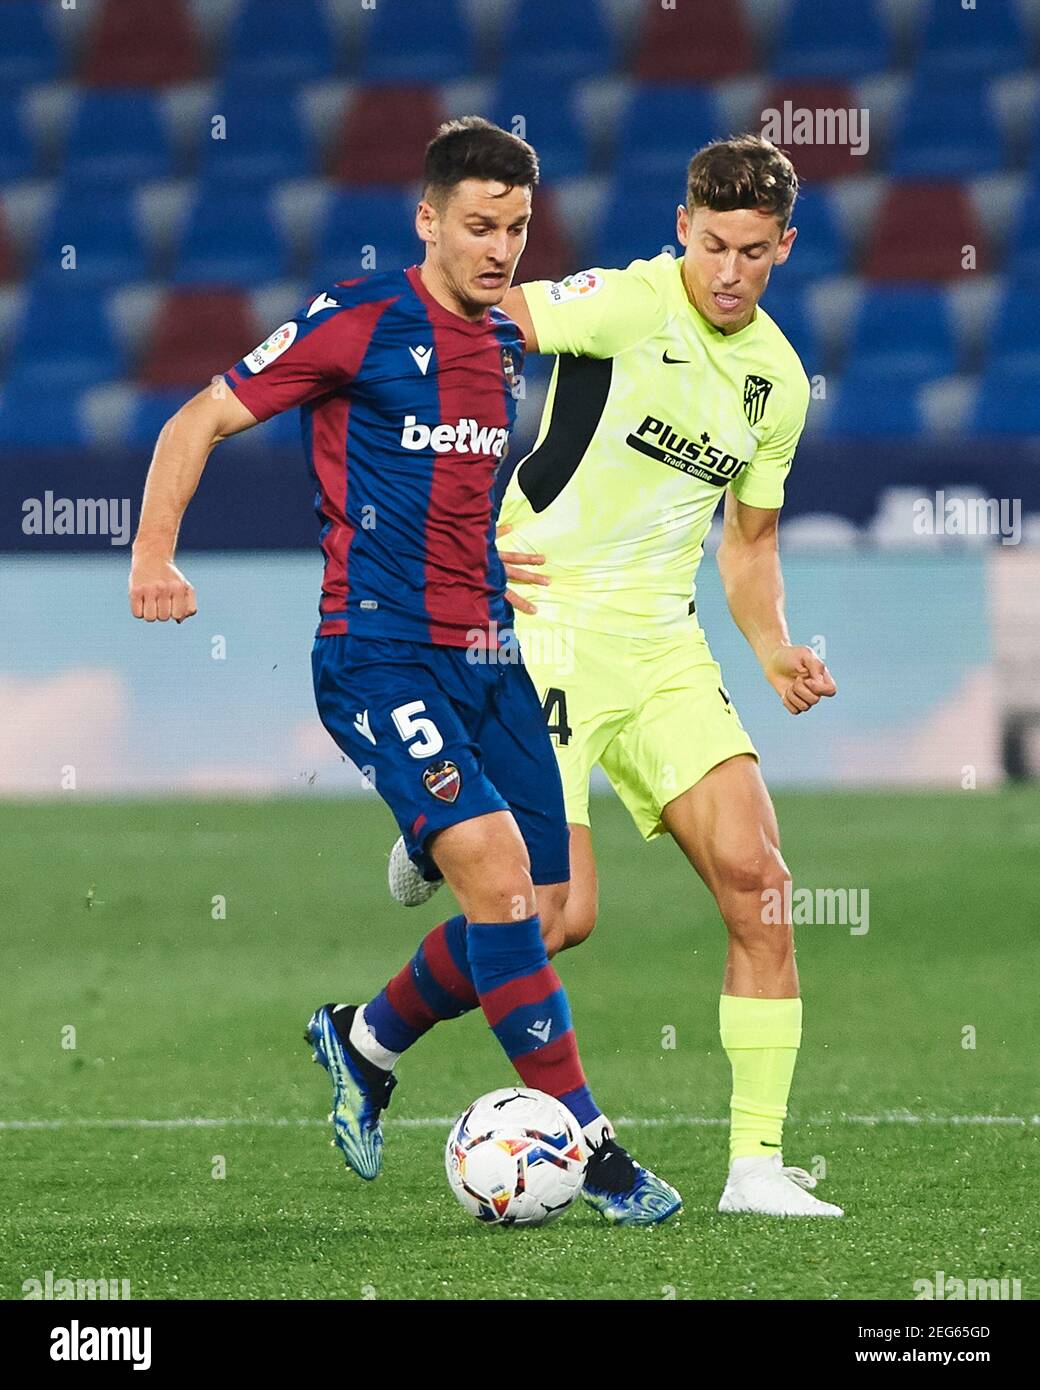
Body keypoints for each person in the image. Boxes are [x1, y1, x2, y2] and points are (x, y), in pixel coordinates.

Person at [128, 116, 680, 1227]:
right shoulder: (359, 319)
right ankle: (594, 1146)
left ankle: (365, 1038)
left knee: (556, 905)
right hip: (375, 653)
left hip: (485, 651)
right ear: (427, 221)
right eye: (479, 225)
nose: (500, 248)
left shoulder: (506, 346)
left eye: (517, 228)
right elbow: (200, 417)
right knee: (493, 878)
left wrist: (488, 558)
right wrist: (152, 554)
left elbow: (451, 483)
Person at [389, 134, 843, 1218]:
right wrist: (448, 519)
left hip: (660, 647)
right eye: (711, 243)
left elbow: (746, 544)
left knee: (759, 882)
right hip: (540, 631)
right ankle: (380, 1009)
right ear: (682, 225)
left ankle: (755, 1170)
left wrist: (772, 642)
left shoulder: (775, 380)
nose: (727, 271)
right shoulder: (626, 302)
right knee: (554, 916)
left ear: (783, 246)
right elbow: (467, 324)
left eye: (751, 251)